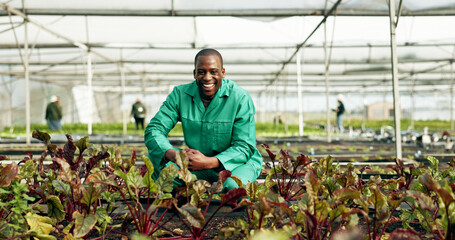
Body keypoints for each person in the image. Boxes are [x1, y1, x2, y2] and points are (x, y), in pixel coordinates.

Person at [144, 48, 263, 192]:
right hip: (195, 163)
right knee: (162, 172)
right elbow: (154, 130)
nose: (207, 77)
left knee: (233, 188)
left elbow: (244, 146)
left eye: (213, 72)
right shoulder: (180, 95)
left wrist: (209, 162)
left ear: (222, 73)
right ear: (194, 73)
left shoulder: (239, 98)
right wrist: (175, 155)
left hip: (237, 164)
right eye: (201, 72)